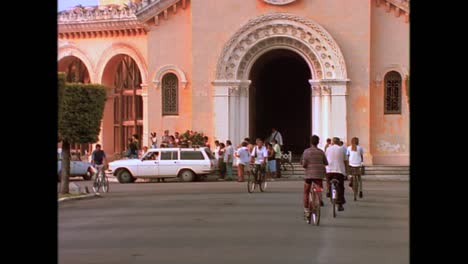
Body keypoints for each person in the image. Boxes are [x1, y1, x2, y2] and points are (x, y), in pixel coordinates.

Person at [301, 135, 328, 216]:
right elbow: (326, 163)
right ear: (318, 142)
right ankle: (319, 198)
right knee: (319, 185)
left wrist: (305, 165)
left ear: (310, 142)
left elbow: (304, 164)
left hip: (309, 174)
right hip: (319, 174)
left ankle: (306, 210)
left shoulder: (306, 151)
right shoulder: (321, 152)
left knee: (306, 191)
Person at [325, 137, 347, 211]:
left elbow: (325, 159)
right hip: (339, 171)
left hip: (329, 171)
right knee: (341, 187)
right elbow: (345, 161)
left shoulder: (328, 149)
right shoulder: (342, 149)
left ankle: (328, 189)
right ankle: (340, 204)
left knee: (328, 179)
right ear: (339, 142)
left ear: (332, 142)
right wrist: (346, 172)